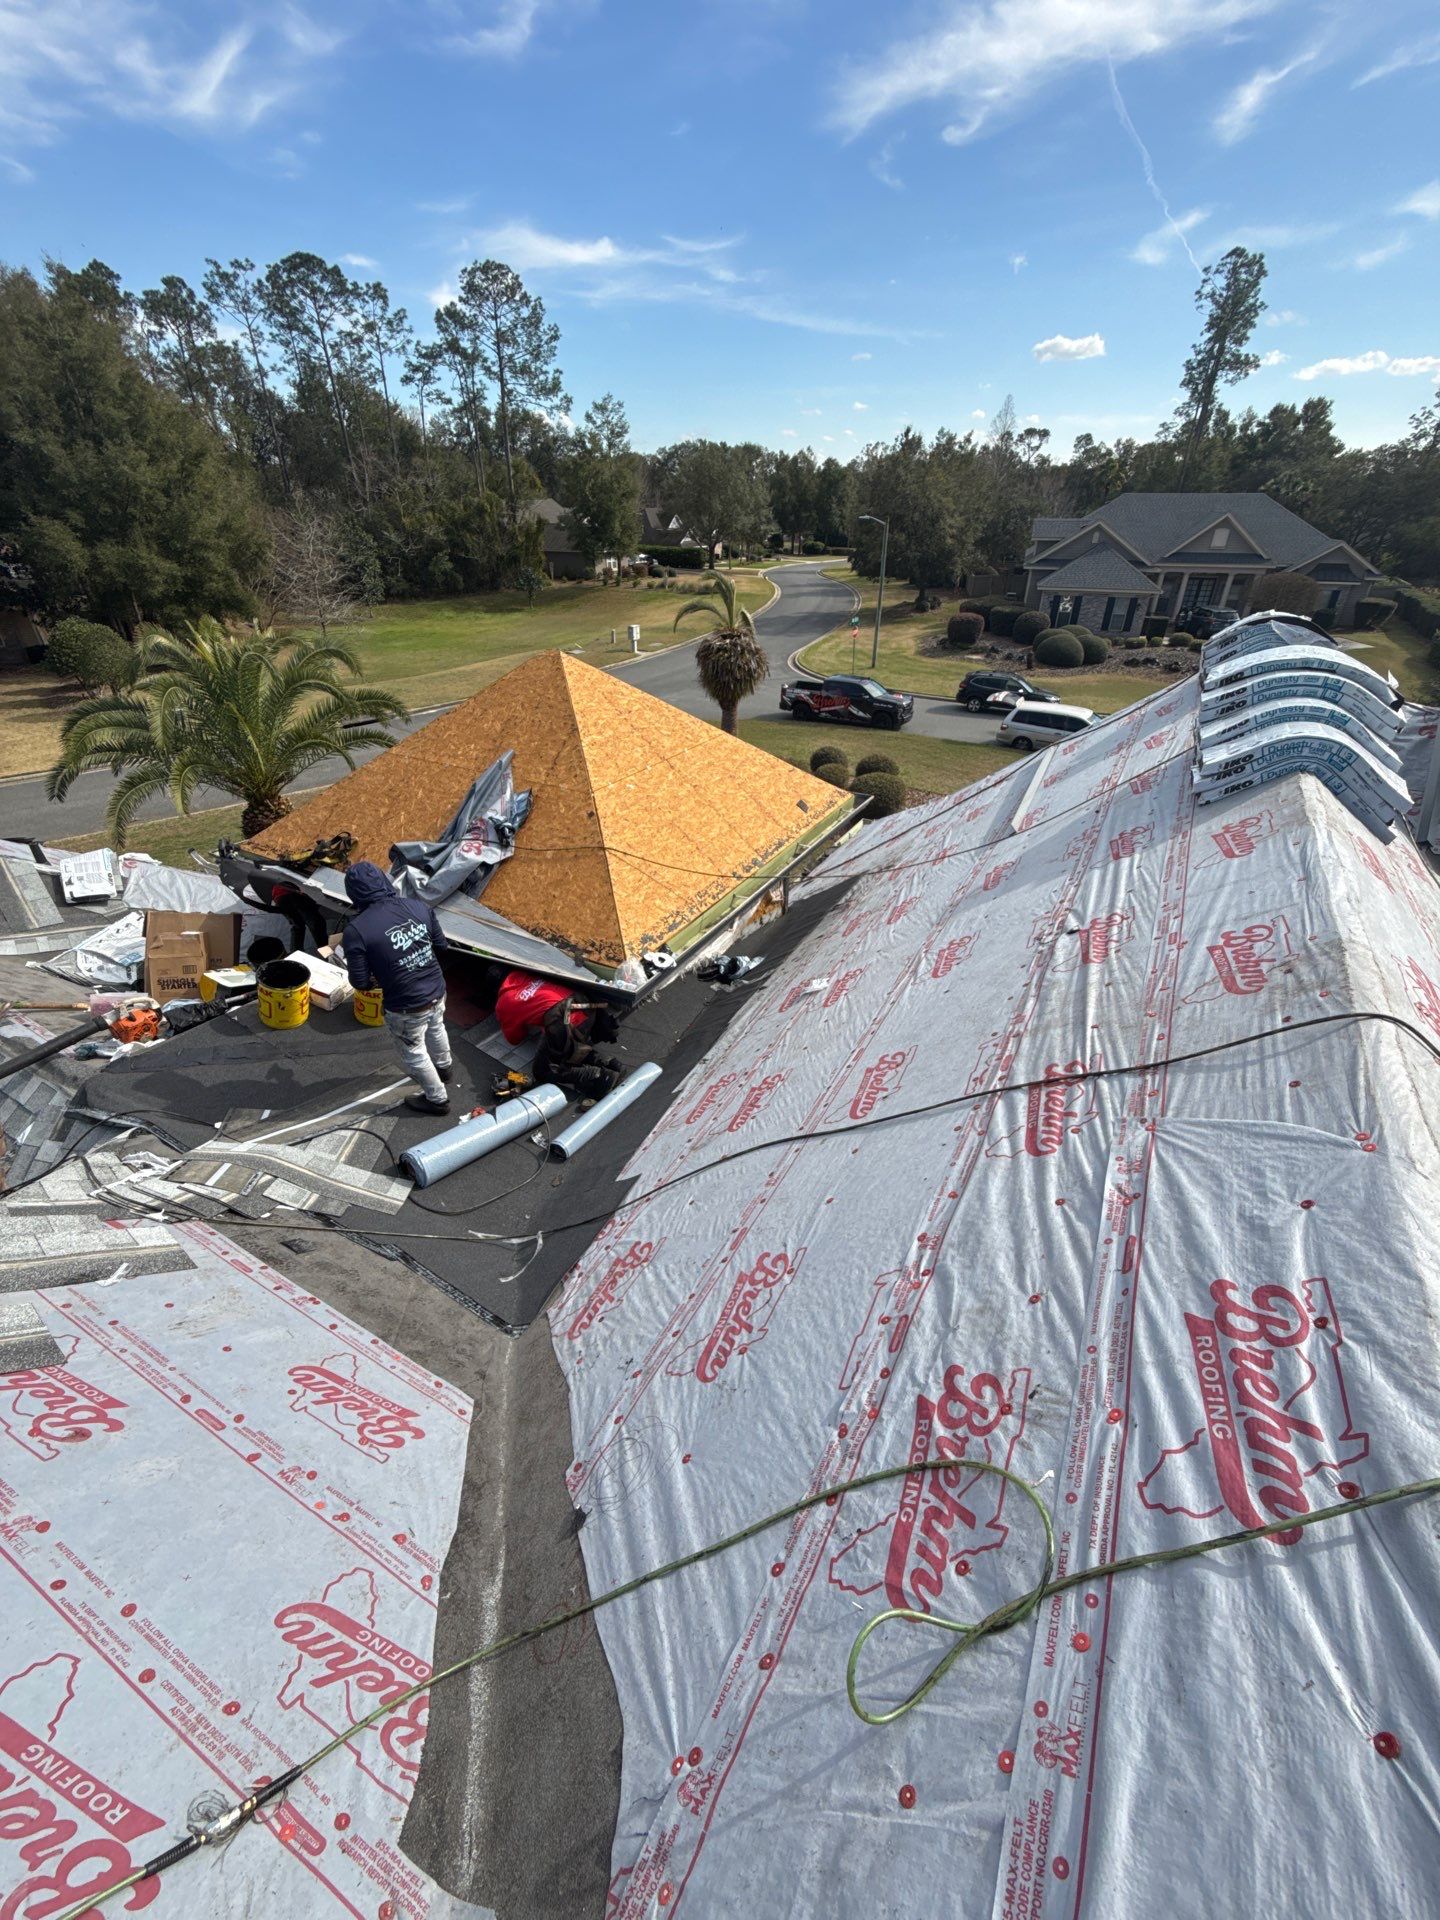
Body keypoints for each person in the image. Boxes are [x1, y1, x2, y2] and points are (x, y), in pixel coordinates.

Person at [341, 862, 453, 1115]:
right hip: (437, 988)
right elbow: (441, 946)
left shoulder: (356, 931)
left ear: (353, 894)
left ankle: (437, 1100)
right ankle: (445, 1067)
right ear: (383, 880)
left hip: (406, 1005)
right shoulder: (418, 906)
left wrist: (381, 976)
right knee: (436, 1026)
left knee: (414, 1051)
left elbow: (359, 982)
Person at [494, 968, 624, 1100]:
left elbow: (514, 1038)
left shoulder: (504, 1003)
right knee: (569, 1047)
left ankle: (599, 1076)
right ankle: (611, 1064)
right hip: (585, 1006)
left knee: (543, 1070)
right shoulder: (523, 973)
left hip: (566, 1021)